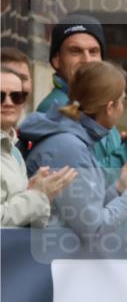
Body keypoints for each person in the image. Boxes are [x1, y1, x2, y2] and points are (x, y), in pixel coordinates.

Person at [20, 61, 127, 246]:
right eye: (123, 100)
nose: (123, 108)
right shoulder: (69, 147)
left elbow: (85, 212)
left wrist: (121, 187)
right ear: (110, 107)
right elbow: (94, 229)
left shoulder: (74, 139)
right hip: (54, 258)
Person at [35, 14, 127, 169]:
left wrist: (124, 142)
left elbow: (100, 159)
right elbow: (82, 178)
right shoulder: (56, 110)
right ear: (56, 60)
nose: (87, 60)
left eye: (93, 52)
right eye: (75, 51)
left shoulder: (95, 99)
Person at [1, 66, 76, 226]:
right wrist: (38, 196)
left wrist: (35, 191)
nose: (8, 103)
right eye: (0, 96)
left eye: (16, 96)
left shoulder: (13, 149)